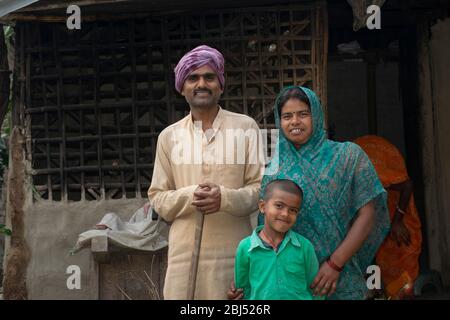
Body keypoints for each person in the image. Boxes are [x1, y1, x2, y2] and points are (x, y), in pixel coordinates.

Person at [229, 86, 390, 300]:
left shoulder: (348, 156)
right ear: (279, 121)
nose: (295, 121)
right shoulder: (274, 169)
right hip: (290, 280)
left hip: (341, 274)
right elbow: (266, 231)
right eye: (287, 116)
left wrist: (335, 264)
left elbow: (368, 213)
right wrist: (250, 281)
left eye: (303, 114)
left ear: (317, 116)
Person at [148, 45, 263, 299]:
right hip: (183, 261)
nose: (201, 84)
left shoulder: (246, 127)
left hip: (234, 258)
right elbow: (157, 197)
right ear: (182, 87)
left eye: (209, 77)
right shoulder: (169, 137)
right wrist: (191, 196)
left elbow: (260, 190)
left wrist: (224, 198)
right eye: (193, 78)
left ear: (220, 85)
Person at [354, 135, 422, 299]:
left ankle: (396, 293)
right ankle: (375, 292)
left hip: (394, 214)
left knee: (401, 259)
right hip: (366, 223)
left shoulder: (380, 173)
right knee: (368, 258)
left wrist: (398, 221)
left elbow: (407, 185)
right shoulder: (351, 175)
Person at [234, 179, 324, 300]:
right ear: (262, 206)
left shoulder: (304, 247)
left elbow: (316, 289)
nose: (285, 214)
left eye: (293, 210)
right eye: (279, 206)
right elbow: (243, 289)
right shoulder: (246, 247)